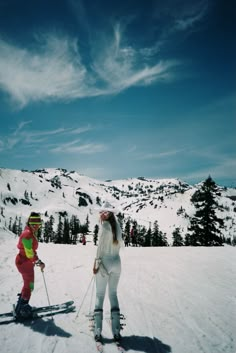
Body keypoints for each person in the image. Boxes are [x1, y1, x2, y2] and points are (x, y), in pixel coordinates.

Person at [92, 201, 124, 342]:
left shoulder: (104, 226)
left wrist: (96, 263)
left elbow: (100, 248)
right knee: (113, 294)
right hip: (117, 262)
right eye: (101, 212)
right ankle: (116, 331)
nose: (101, 215)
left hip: (105, 262)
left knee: (99, 295)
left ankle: (98, 331)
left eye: (103, 212)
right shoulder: (117, 226)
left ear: (108, 214)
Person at [15, 212, 45, 318]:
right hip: (24, 263)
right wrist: (39, 262)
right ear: (31, 223)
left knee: (29, 285)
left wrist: (35, 260)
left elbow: (30, 251)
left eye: (39, 224)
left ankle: (21, 303)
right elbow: (29, 253)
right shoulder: (27, 234)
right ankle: (23, 309)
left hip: (26, 262)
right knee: (29, 285)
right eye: (35, 224)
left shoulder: (29, 232)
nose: (37, 226)